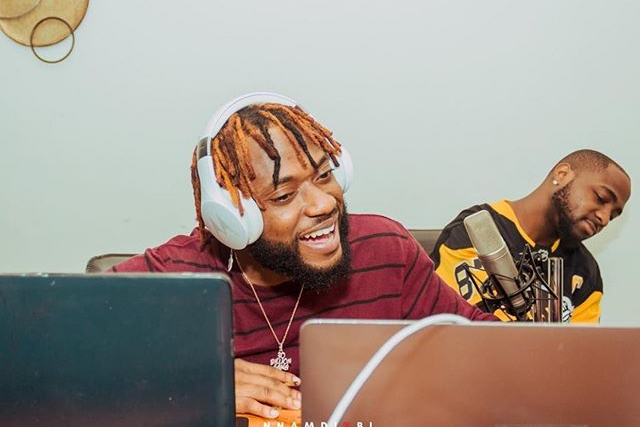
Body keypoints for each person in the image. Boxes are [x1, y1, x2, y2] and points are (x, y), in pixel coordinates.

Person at [110, 92, 496, 419]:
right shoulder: (174, 279)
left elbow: (492, 351)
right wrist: (191, 382)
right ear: (232, 218)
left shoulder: (385, 250)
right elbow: (73, 361)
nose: (323, 204)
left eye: (324, 175)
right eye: (284, 195)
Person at [432, 149, 631, 323]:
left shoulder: (585, 272)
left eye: (613, 216)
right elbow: (455, 323)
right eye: (601, 198)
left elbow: (580, 349)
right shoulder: (478, 229)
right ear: (562, 174)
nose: (604, 218)